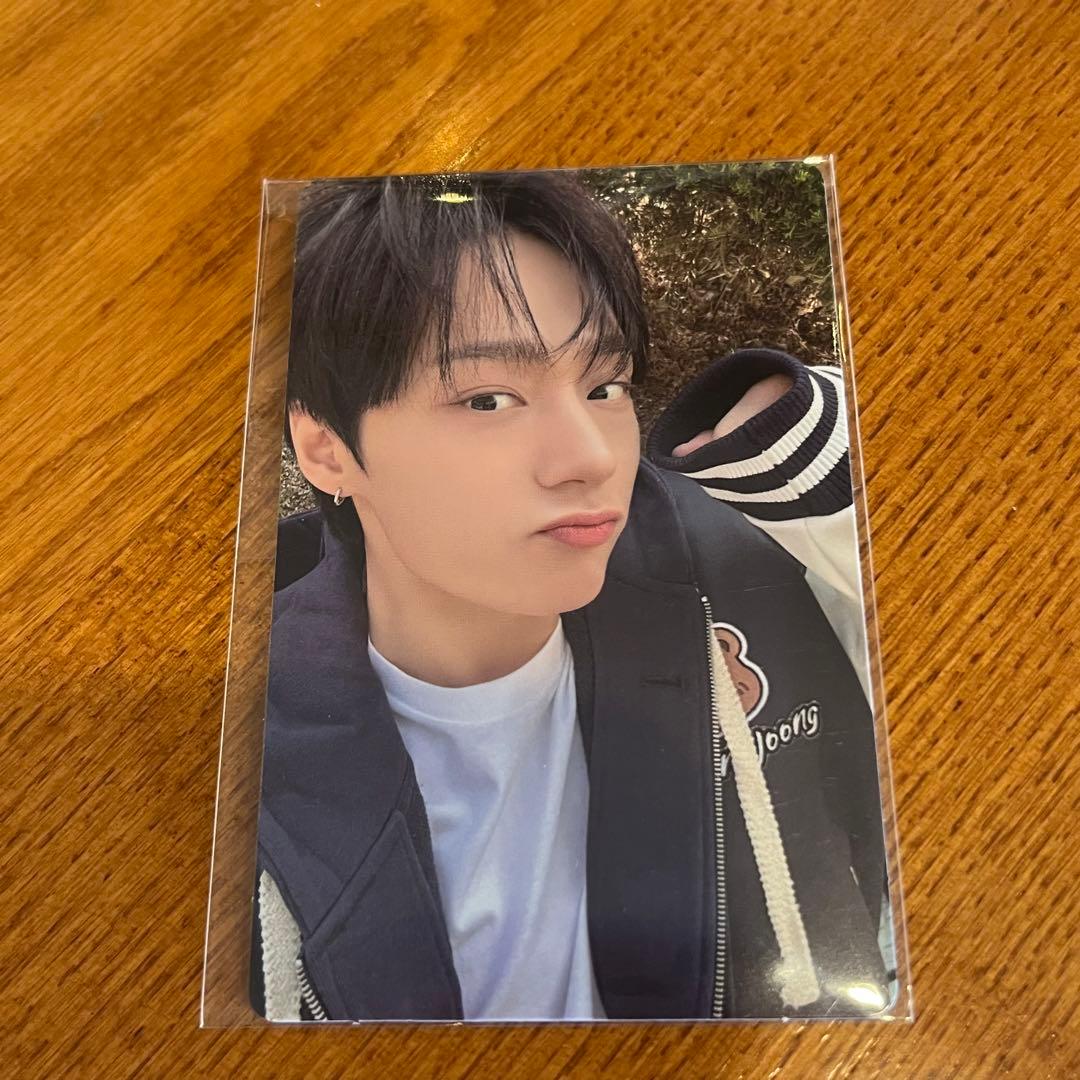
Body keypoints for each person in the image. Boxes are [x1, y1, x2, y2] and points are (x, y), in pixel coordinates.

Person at [250, 171, 892, 1022]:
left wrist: (807, 462)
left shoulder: (748, 580)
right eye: (488, 399)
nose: (591, 455)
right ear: (326, 450)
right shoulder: (227, 745)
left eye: (605, 386)